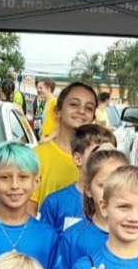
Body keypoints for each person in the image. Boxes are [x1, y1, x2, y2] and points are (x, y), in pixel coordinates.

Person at [51, 149, 130, 269]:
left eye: (119, 185)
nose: (111, 193)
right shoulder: (73, 237)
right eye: (103, 185)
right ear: (88, 190)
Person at [33, 82, 98, 211]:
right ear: (58, 111)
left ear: (93, 118)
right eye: (74, 104)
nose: (81, 111)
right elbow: (28, 214)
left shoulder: (100, 159)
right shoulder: (36, 156)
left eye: (89, 108)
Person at [40, 124, 116, 234]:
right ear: (78, 159)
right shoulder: (54, 203)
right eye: (97, 153)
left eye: (110, 153)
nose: (104, 160)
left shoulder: (121, 202)